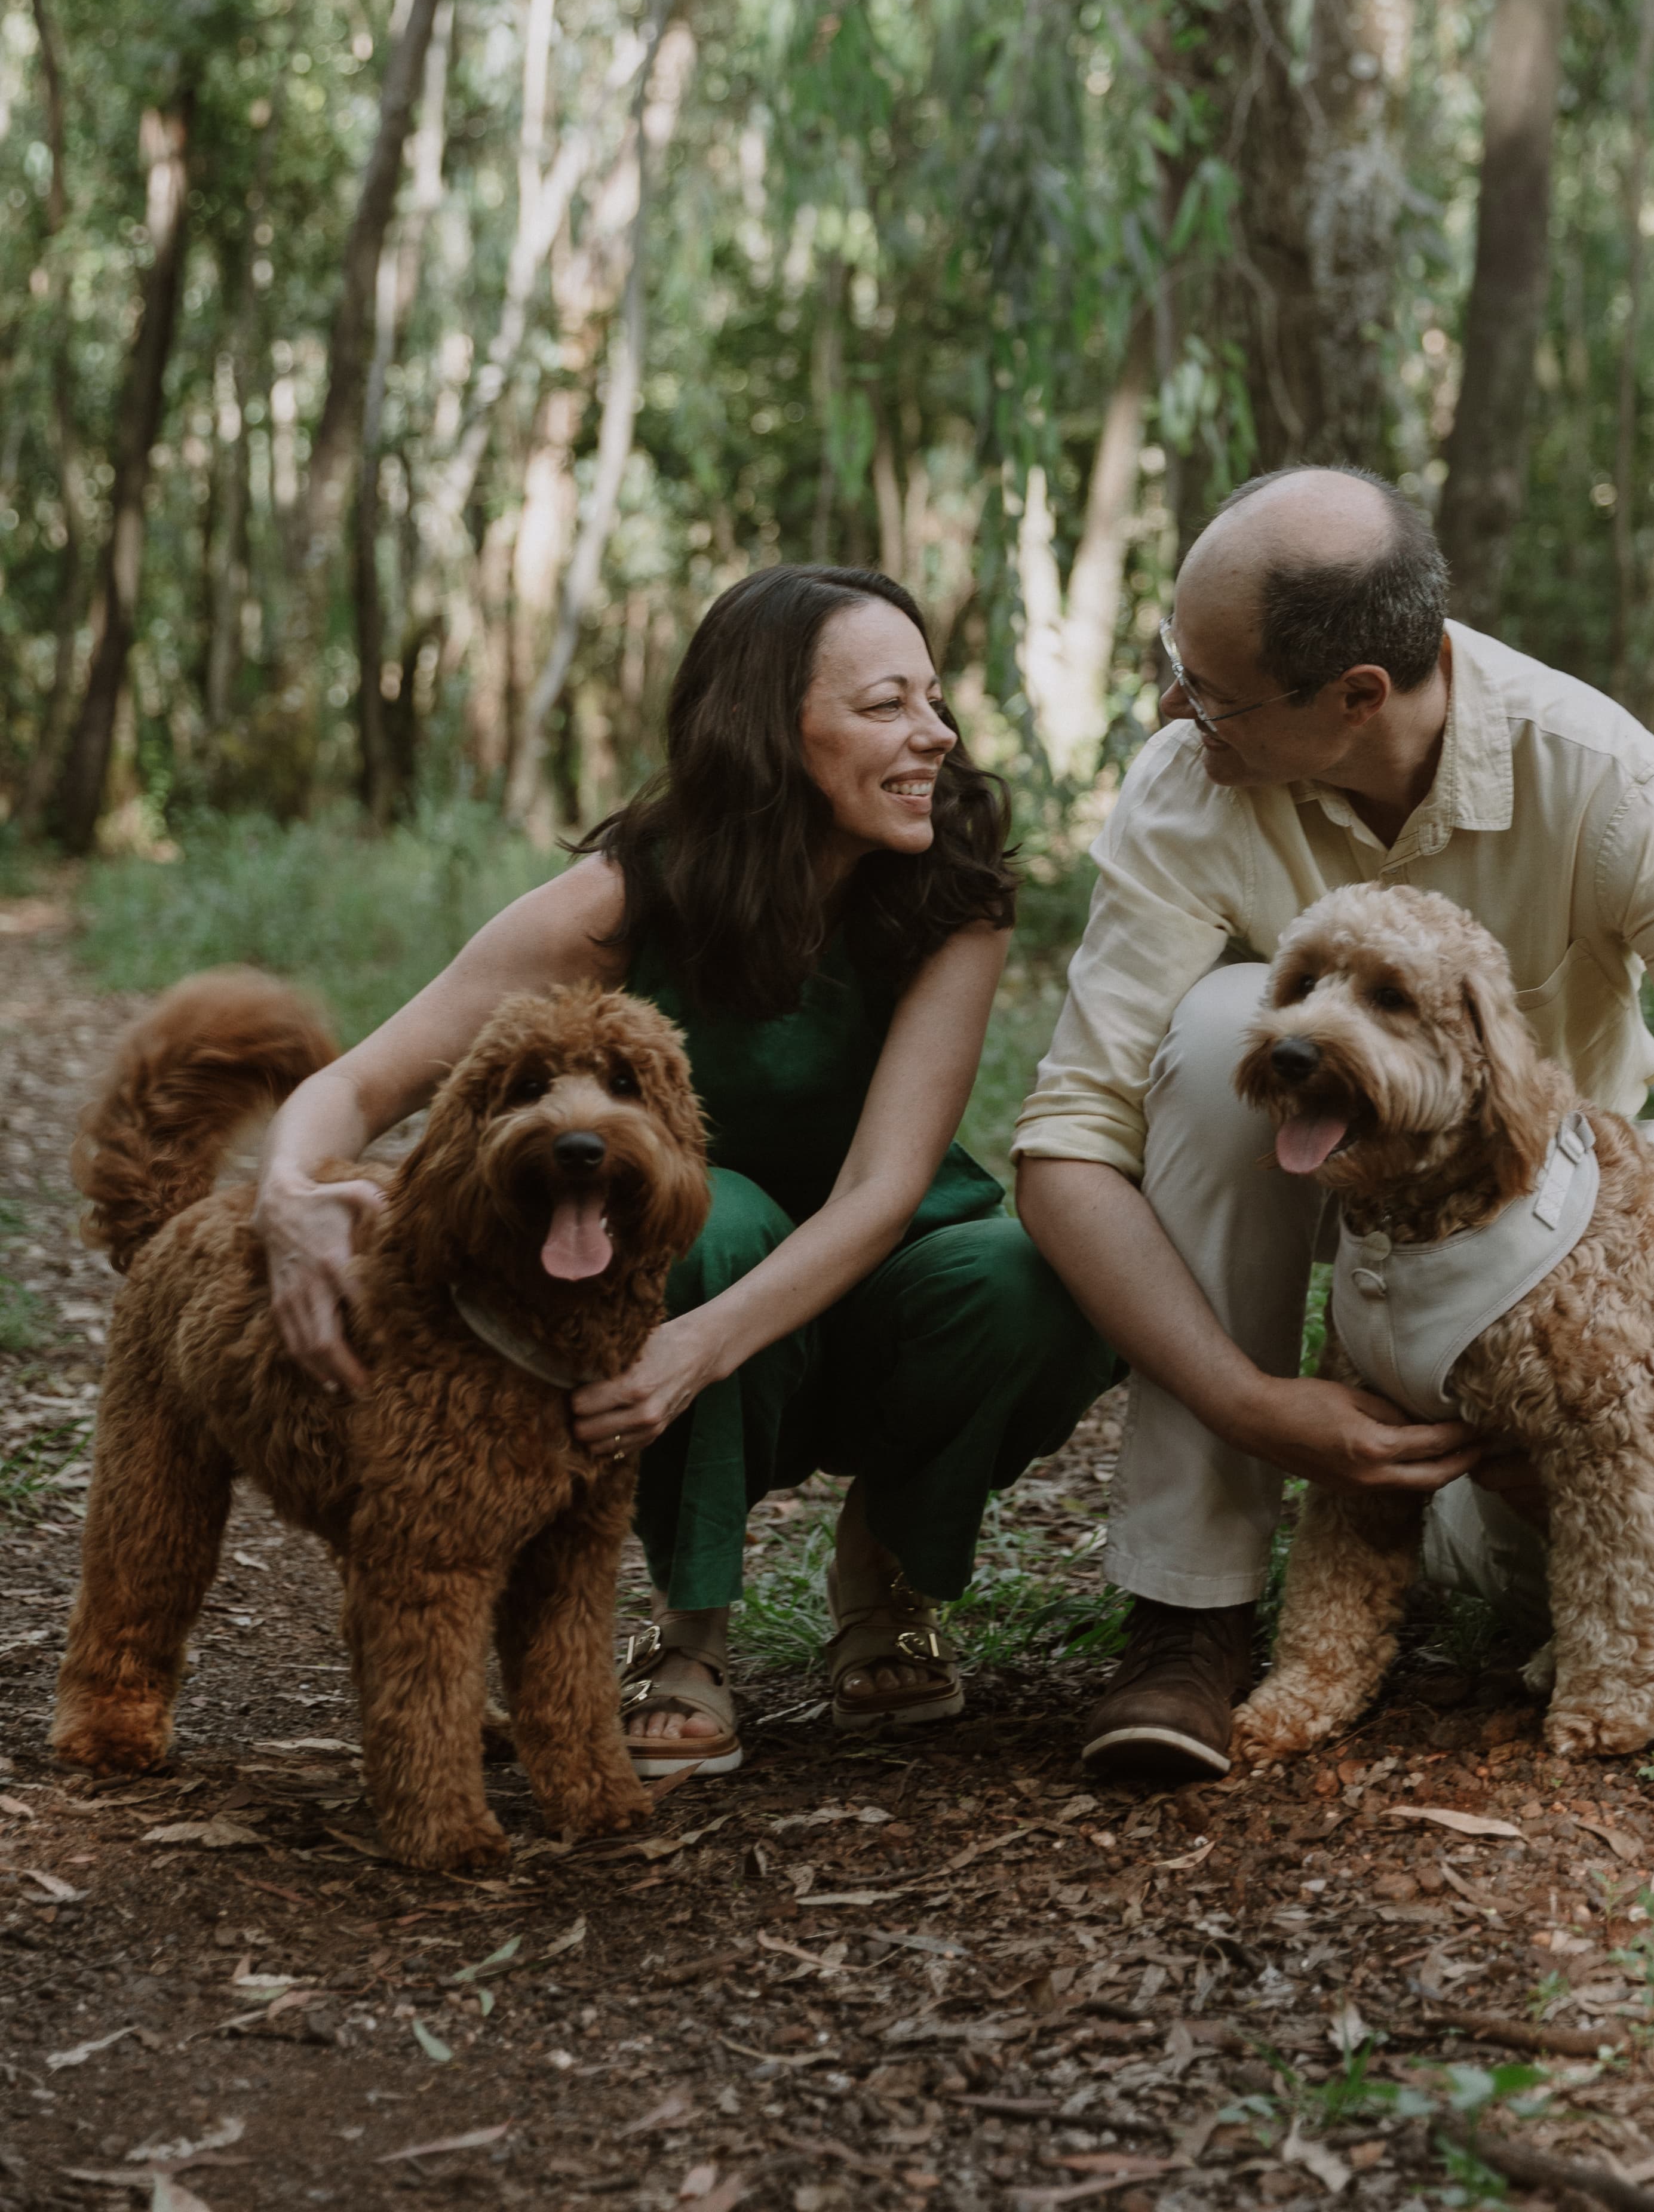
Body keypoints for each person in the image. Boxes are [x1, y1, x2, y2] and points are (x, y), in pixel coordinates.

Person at [1011, 466, 1654, 1784]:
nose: (1170, 711)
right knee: (1222, 1033)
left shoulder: (1602, 783)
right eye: (1171, 667)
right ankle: (1189, 1614)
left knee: (1560, 1560)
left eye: (1210, 690)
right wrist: (1251, 1405)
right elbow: (1067, 1141)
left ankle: (1532, 1559)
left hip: (1551, 1255)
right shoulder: (1188, 780)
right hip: (1320, 1203)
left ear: (1358, 695)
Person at [255, 566, 1116, 1774]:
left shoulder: (950, 888)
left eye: (933, 699)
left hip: (882, 1273)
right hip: (692, 1263)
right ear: (769, 730)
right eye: (886, 705)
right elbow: (357, 1085)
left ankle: (880, 1570)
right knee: (708, 1224)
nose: (935, 733)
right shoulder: (620, 898)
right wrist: (287, 1195)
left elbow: (882, 1192)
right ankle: (688, 1628)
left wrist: (697, 1348)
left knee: (1033, 1272)